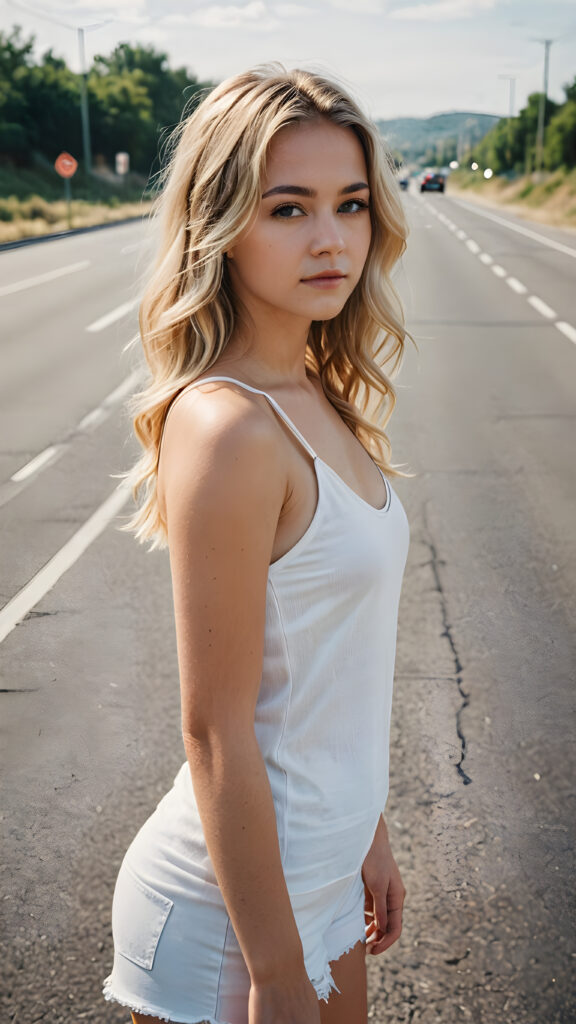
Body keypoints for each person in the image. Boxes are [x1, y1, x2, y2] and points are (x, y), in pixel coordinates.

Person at [103, 64, 413, 1024]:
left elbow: (331, 668)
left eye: (350, 204)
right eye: (288, 210)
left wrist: (371, 831)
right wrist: (274, 974)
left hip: (323, 876)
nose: (331, 240)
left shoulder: (318, 390)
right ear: (223, 224)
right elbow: (215, 729)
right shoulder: (229, 426)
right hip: (227, 919)